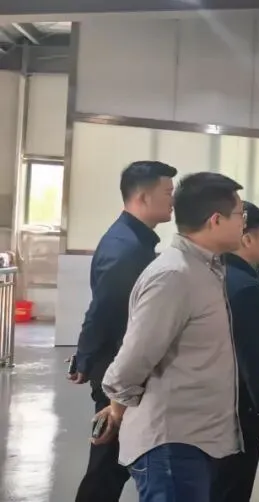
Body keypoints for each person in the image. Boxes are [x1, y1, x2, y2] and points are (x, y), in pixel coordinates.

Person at [96, 172, 248, 502]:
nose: (244, 224)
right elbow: (134, 358)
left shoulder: (205, 269)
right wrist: (117, 407)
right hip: (171, 445)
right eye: (241, 215)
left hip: (195, 438)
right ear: (216, 220)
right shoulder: (174, 275)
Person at [71, 160, 177, 502]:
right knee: (106, 465)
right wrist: (85, 357)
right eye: (168, 192)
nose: (173, 200)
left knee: (111, 463)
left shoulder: (134, 240)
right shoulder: (126, 248)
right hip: (118, 369)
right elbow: (104, 310)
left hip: (121, 365)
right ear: (143, 197)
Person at [212, 201, 259, 502]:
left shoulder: (211, 274)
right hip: (239, 406)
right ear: (247, 238)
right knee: (234, 485)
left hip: (207, 401)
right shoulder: (246, 287)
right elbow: (255, 355)